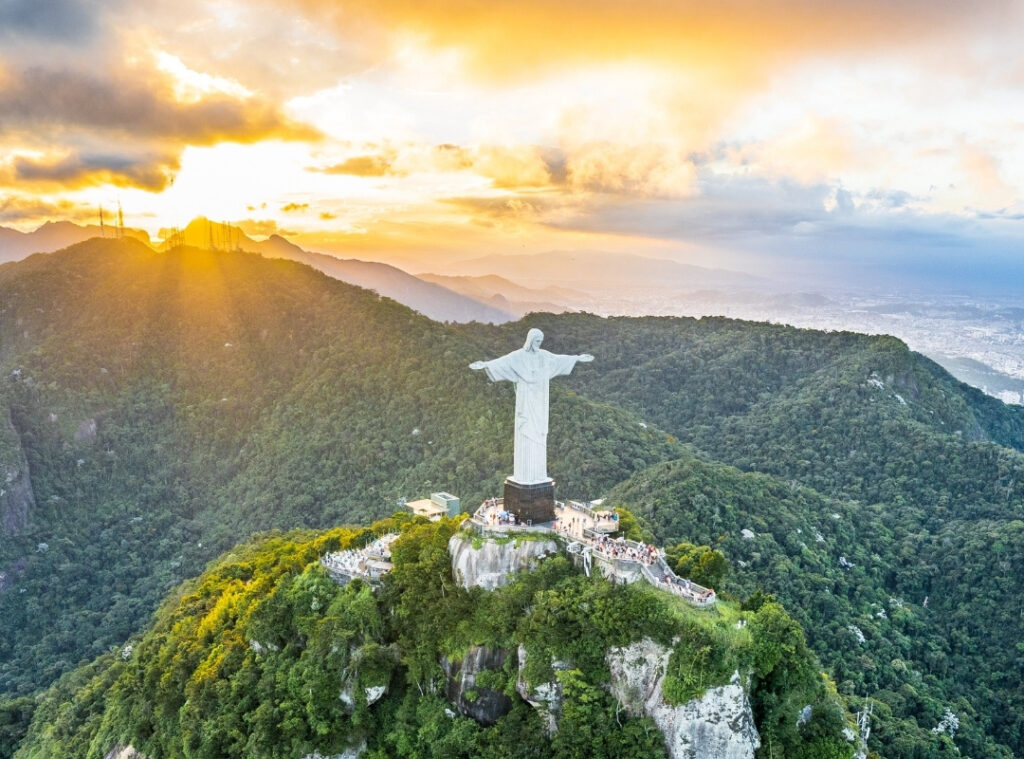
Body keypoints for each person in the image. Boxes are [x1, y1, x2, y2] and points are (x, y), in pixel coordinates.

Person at [470, 329, 593, 484]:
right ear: (530, 340)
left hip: (540, 401)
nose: (539, 344)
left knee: (539, 435)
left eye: (540, 341)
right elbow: (503, 362)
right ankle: (525, 476)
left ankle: (538, 475)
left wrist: (577, 358)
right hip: (526, 401)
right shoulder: (518, 356)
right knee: (526, 434)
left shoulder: (544, 356)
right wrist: (485, 364)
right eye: (536, 341)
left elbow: (559, 359)